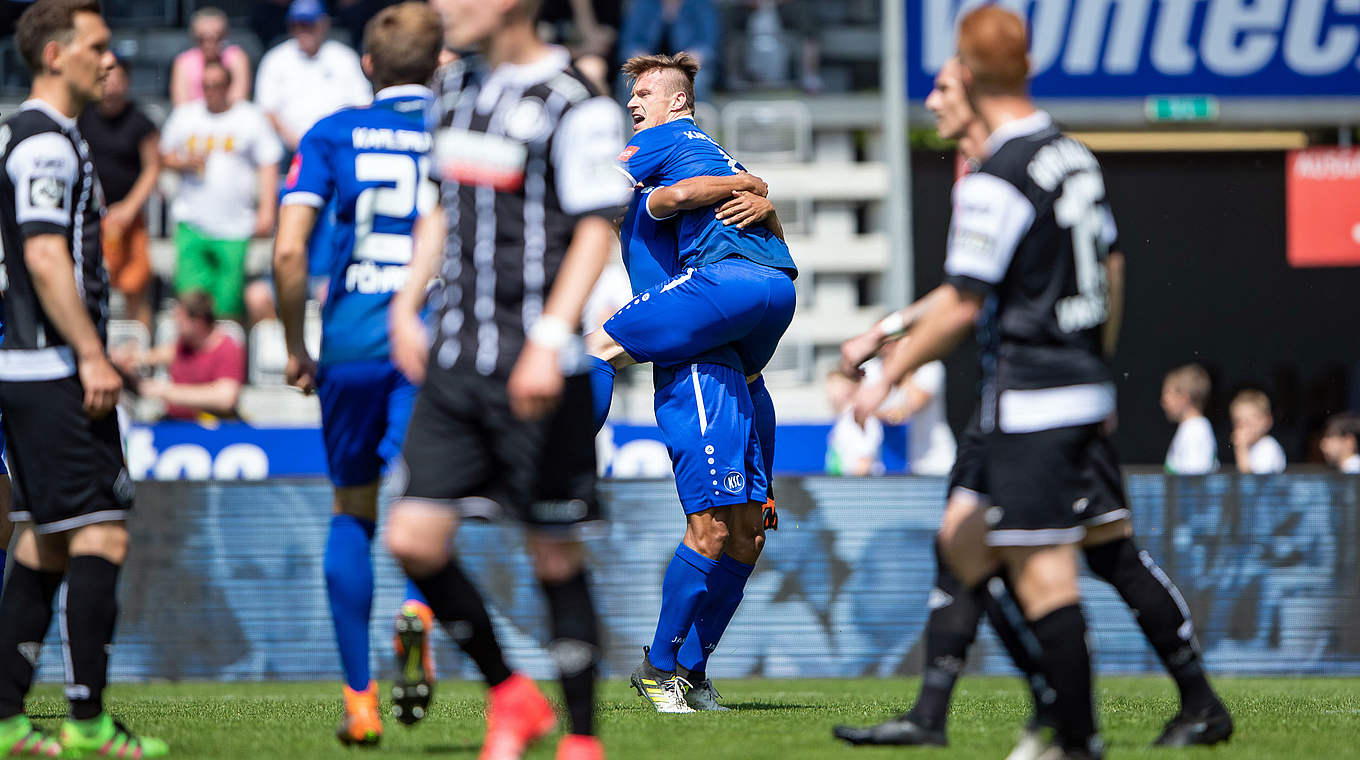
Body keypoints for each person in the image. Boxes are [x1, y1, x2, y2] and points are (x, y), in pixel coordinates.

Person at [836, 13, 1233, 755]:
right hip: (1061, 388)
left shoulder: (998, 172)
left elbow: (963, 299)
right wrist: (1090, 357)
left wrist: (885, 370)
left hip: (1031, 398)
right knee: (970, 542)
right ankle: (948, 714)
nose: (931, 98)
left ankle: (1073, 731)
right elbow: (1109, 264)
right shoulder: (1071, 155)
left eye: (946, 80)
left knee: (1054, 568)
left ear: (975, 79)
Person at [384, 0, 630, 757]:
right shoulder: (452, 91)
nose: (444, 8)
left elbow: (596, 225)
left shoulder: (575, 102)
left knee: (552, 552)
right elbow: (440, 207)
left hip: (538, 366)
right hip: (456, 363)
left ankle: (583, 737)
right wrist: (406, 298)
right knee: (413, 540)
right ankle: (509, 693)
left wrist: (550, 337)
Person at [583, 51, 795, 713]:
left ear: (675, 102)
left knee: (741, 531)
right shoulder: (718, 163)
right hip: (722, 353)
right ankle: (667, 669)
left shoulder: (662, 153)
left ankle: (683, 671)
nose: (633, 105)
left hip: (708, 354)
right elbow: (742, 211)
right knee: (726, 529)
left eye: (643, 92)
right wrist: (756, 187)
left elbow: (621, 186)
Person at [0, 1, 167, 755]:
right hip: (51, 369)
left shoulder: (39, 137)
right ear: (56, 53)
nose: (110, 61)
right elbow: (41, 256)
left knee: (47, 541)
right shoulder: (45, 145)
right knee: (101, 534)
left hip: (34, 364)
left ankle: (4, 718)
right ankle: (90, 721)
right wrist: (91, 355)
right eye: (97, 48)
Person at [272, 2, 441, 745]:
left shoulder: (330, 132)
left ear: (368, 65)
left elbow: (286, 252)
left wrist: (293, 345)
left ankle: (361, 702)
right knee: (430, 497)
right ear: (437, 65)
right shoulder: (461, 129)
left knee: (353, 507)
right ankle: (420, 609)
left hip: (348, 341)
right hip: (430, 341)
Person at [160, 60, 282, 321]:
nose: (211, 91)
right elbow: (162, 156)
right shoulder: (185, 115)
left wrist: (267, 211)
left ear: (229, 85)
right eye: (205, 85)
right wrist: (183, 163)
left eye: (216, 85)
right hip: (192, 220)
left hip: (235, 225)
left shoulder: (249, 117)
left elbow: (269, 162)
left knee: (228, 305)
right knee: (190, 301)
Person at [78, 54, 159, 329]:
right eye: (105, 77)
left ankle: (142, 353)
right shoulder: (82, 117)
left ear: (127, 81)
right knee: (87, 284)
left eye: (117, 77)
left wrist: (128, 208)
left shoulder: (141, 122)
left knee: (135, 285)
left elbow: (152, 168)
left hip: (128, 218)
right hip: (89, 217)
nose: (110, 85)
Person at [254, 0, 372, 153]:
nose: (303, 30)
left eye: (309, 24)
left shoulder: (344, 57)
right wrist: (301, 145)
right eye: (297, 24)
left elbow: (363, 104)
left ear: (324, 24)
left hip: (339, 146)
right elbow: (267, 110)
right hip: (290, 150)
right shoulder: (275, 58)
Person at [112, 291, 245, 421]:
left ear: (198, 322)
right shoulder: (184, 345)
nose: (175, 325)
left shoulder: (227, 348)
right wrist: (130, 357)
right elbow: (156, 355)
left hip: (210, 429)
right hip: (173, 423)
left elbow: (226, 398)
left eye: (180, 320)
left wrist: (166, 391)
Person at [616, 0, 719, 102]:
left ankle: (692, 118)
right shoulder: (643, 4)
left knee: (697, 82)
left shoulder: (700, 3)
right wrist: (643, 61)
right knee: (630, 81)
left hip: (685, 66)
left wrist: (686, 63)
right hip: (649, 66)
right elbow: (629, 44)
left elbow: (708, 45)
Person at [877, 360, 955, 476]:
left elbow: (916, 401)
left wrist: (903, 369)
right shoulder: (879, 367)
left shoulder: (931, 366)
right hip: (911, 462)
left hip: (937, 461)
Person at [169, 6, 252, 105]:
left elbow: (239, 100)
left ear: (225, 35)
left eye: (217, 37)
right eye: (202, 38)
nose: (209, 44)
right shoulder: (184, 62)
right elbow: (181, 105)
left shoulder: (237, 58)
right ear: (193, 37)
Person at [1162, 363, 1217, 474]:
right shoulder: (1192, 428)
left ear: (1183, 398)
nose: (1163, 400)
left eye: (1167, 393)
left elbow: (1195, 481)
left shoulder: (1195, 430)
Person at [825, 369, 883, 476]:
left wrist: (852, 491)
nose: (828, 390)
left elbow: (863, 464)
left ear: (848, 387)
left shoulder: (860, 418)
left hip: (857, 490)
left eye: (834, 383)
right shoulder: (844, 420)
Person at [1230, 389, 1287, 474]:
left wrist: (1241, 448)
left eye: (1249, 421)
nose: (1243, 426)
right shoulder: (1251, 448)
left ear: (1267, 421)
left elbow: (1252, 481)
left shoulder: (1268, 447)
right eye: (1238, 421)